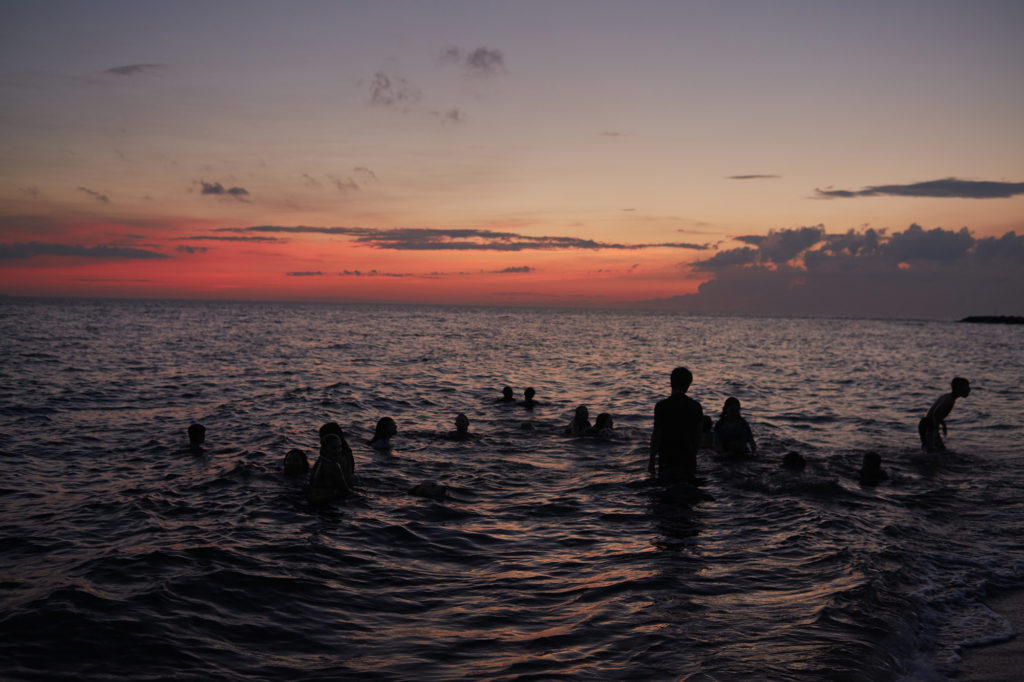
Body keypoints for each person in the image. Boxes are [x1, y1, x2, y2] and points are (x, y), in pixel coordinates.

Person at [650, 367, 704, 484]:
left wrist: (651, 460)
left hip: (667, 457)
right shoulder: (695, 406)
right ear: (688, 385)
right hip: (688, 457)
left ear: (671, 383)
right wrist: (693, 454)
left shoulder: (661, 406)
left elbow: (657, 435)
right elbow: (699, 435)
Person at [919, 377, 970, 452]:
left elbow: (936, 414)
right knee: (938, 450)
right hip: (928, 425)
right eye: (967, 387)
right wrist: (936, 431)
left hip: (926, 423)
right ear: (960, 389)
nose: (969, 389)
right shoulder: (949, 400)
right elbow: (935, 413)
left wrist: (943, 424)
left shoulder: (948, 397)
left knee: (932, 449)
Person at [309, 434, 353, 503]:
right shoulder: (334, 466)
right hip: (326, 502)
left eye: (339, 447)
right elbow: (345, 491)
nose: (338, 451)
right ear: (325, 449)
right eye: (333, 448)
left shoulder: (319, 461)